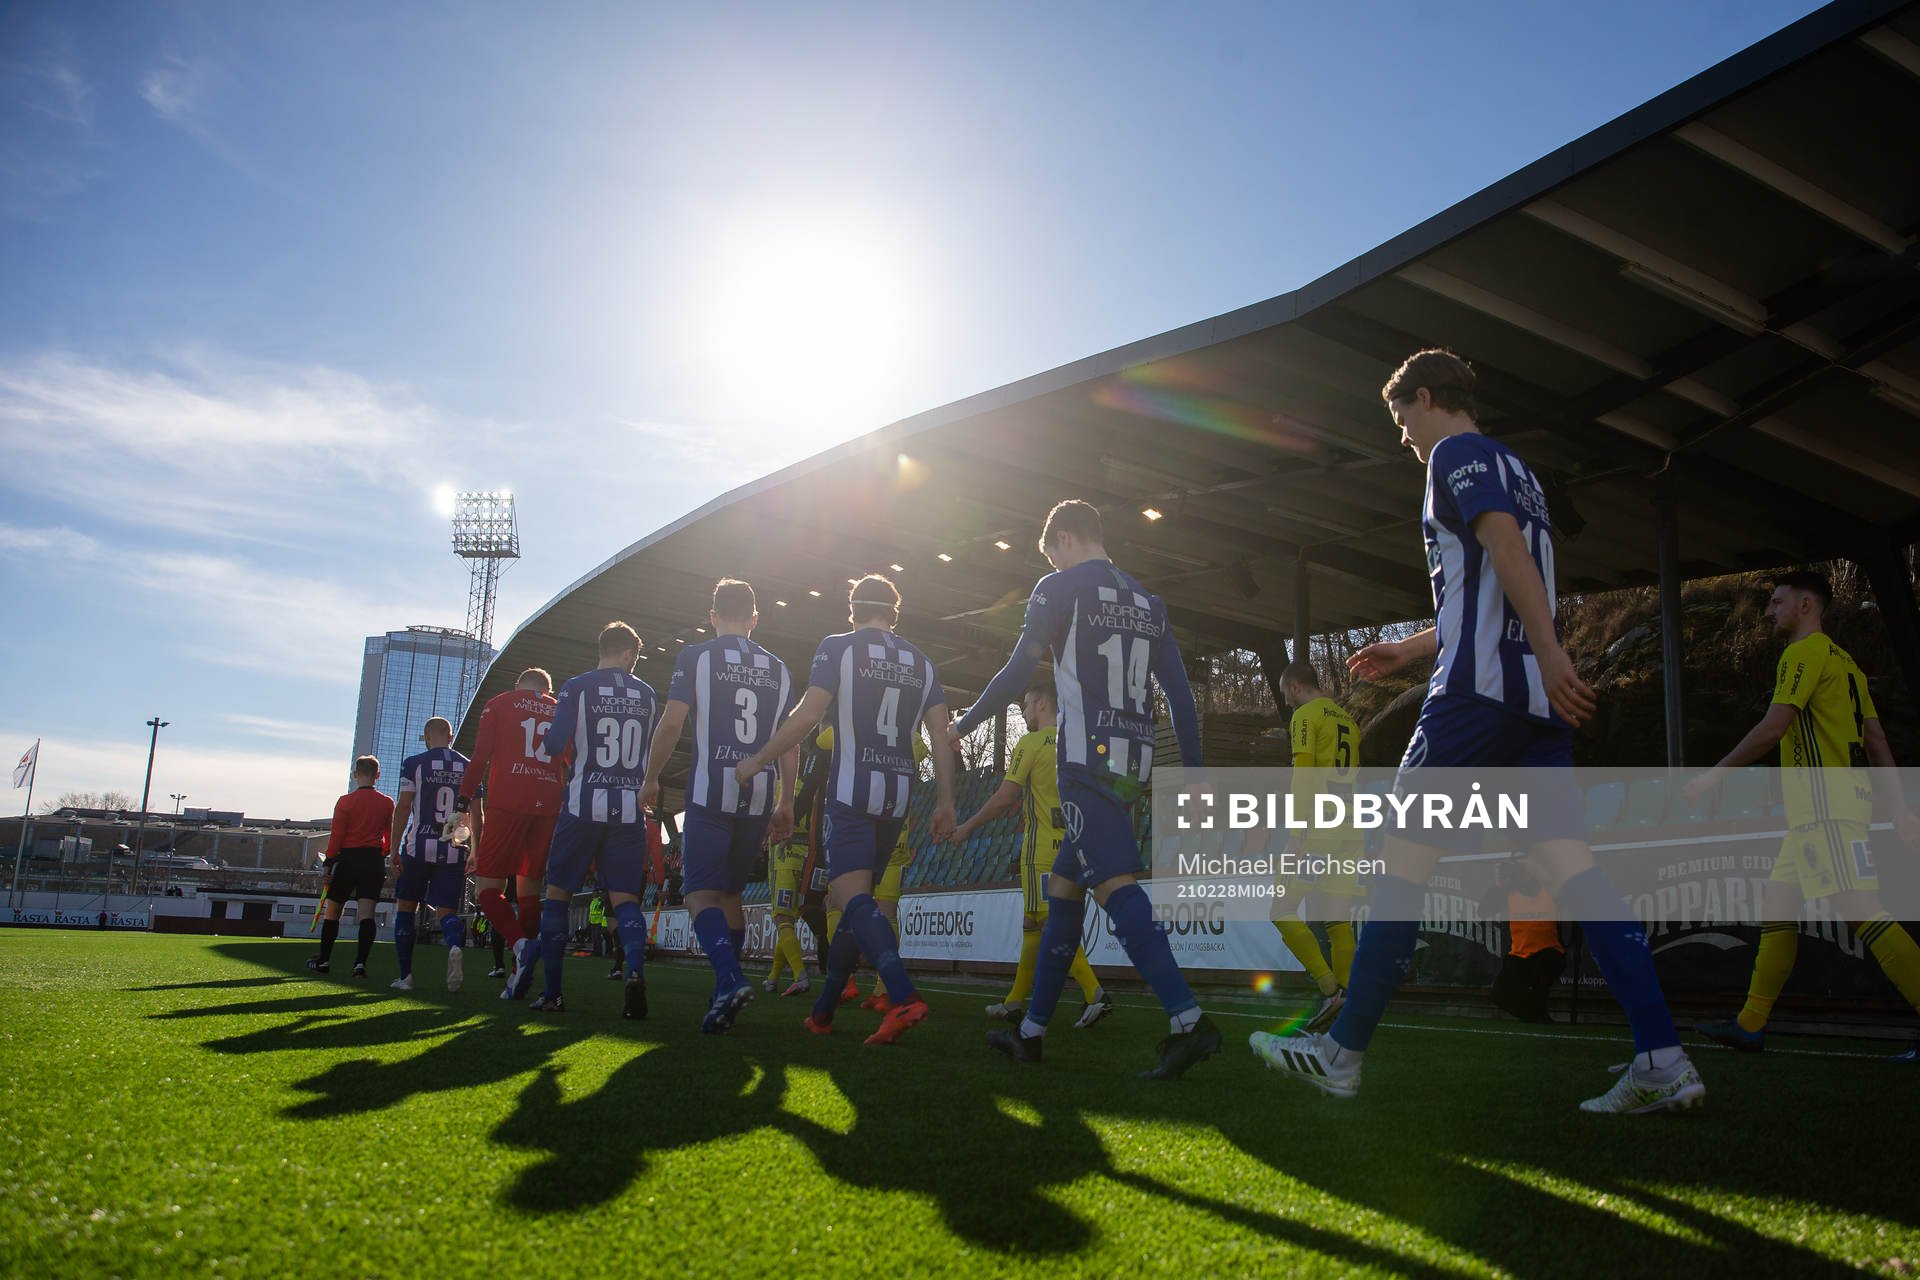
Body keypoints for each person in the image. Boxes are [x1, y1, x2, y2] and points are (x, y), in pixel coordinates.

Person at [1251, 349, 1704, 1113]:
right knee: (1577, 874)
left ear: (1427, 399)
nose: (1403, 439)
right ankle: (1662, 1057)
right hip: (1531, 706)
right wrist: (1415, 645)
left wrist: (1556, 651)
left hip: (1474, 701)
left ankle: (1341, 1052)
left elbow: (1505, 551)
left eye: (1402, 420)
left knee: (1398, 870)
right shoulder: (1518, 469)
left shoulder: (1456, 453)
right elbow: (1492, 582)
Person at [948, 500, 1218, 1079]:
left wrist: (962, 723)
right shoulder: (1150, 601)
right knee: (1065, 889)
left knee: (1118, 888)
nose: (1050, 562)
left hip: (1084, 762)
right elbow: (1181, 697)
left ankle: (1189, 1020)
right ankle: (1032, 1032)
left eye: (1050, 552)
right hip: (1131, 764)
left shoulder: (1058, 588)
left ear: (1063, 539)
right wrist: (1191, 775)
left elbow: (1020, 670)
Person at [1683, 571, 1920, 1054]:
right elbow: (1876, 742)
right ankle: (1751, 1024)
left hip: (1825, 811)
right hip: (1820, 814)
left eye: (1777, 601)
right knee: (1777, 913)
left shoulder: (1803, 654)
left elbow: (1774, 727)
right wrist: (1897, 810)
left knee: (1864, 915)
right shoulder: (1846, 663)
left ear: (1806, 605)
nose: (1769, 611)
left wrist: (1714, 776)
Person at [735, 573, 956, 1045]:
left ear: (853, 611)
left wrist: (759, 758)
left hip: (852, 795)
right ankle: (823, 1012)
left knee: (853, 900)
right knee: (852, 905)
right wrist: (946, 802)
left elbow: (809, 715)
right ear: (894, 614)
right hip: (897, 796)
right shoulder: (923, 662)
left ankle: (902, 995)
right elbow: (940, 736)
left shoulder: (838, 648)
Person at [642, 579, 797, 1033]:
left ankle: (729, 979)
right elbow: (790, 741)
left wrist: (651, 777)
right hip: (761, 792)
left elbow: (672, 724)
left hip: (712, 791)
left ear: (712, 616)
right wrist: (787, 800)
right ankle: (720, 999)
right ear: (754, 618)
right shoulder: (779, 669)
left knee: (697, 893)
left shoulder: (696, 657)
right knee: (730, 895)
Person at [947, 677, 1111, 1028]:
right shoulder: (1075, 744)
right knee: (1033, 924)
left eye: (1025, 703)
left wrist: (968, 826)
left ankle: (1094, 993)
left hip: (1040, 852)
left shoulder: (1032, 742)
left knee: (1049, 924)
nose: (1022, 712)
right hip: (1074, 847)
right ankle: (1014, 1001)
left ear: (1041, 704)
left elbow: (1005, 797)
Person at [526, 621, 657, 1015]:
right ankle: (634, 971)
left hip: (583, 806)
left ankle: (552, 993)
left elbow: (552, 744)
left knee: (558, 896)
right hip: (630, 809)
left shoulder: (576, 687)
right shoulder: (647, 694)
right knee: (625, 900)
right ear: (629, 652)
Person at [1265, 660, 1364, 1033]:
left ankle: (1328, 989)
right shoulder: (1348, 720)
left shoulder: (1306, 715)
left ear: (1294, 688)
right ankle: (1349, 1000)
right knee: (1338, 918)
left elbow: (1303, 776)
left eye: (1286, 695)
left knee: (1281, 910)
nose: (1288, 704)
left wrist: (1295, 833)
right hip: (1351, 829)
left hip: (1319, 830)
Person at [456, 668, 565, 1001]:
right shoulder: (560, 708)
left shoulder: (500, 703)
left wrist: (463, 799)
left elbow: (480, 757)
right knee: (529, 886)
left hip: (507, 802)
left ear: (519, 684)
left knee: (487, 889)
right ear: (549, 689)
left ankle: (520, 947)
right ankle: (521, 972)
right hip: (548, 803)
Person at [388, 717, 472, 993]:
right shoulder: (467, 765)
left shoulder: (414, 764)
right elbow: (476, 814)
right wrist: (476, 850)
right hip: (453, 847)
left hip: (419, 845)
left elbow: (403, 808)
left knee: (406, 906)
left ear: (427, 737)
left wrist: (393, 848)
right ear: (450, 737)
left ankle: (406, 976)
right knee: (447, 911)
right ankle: (455, 944)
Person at [308, 756, 394, 978]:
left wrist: (329, 863)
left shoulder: (345, 802)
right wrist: (382, 853)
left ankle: (324, 960)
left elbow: (337, 835)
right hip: (372, 861)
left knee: (333, 911)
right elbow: (388, 836)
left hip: (347, 860)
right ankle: (359, 964)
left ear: (355, 775)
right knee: (367, 913)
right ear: (378, 775)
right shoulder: (386, 803)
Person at [1477, 852, 1565, 1024]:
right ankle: (1535, 1015)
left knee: (1542, 970)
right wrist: (1498, 885)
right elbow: (1483, 911)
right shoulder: (1509, 892)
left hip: (1549, 952)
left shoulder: (1548, 888)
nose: (1522, 870)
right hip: (1519, 954)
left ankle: (1537, 1014)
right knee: (1498, 996)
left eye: (1525, 865)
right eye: (1518, 866)